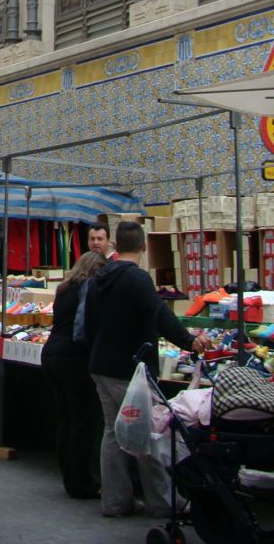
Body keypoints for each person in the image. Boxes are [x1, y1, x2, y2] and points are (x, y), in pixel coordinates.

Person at [84, 220, 207, 518]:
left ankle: (114, 500)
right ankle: (162, 502)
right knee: (149, 433)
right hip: (131, 370)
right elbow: (159, 315)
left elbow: (88, 322)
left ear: (114, 243)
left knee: (113, 433)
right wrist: (190, 341)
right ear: (143, 246)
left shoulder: (100, 277)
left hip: (101, 365)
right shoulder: (137, 279)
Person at [41, 250, 110, 499]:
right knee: (82, 421)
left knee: (66, 418)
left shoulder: (64, 287)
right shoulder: (88, 288)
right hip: (73, 357)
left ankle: (70, 477)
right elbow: (83, 327)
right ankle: (81, 481)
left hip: (52, 353)